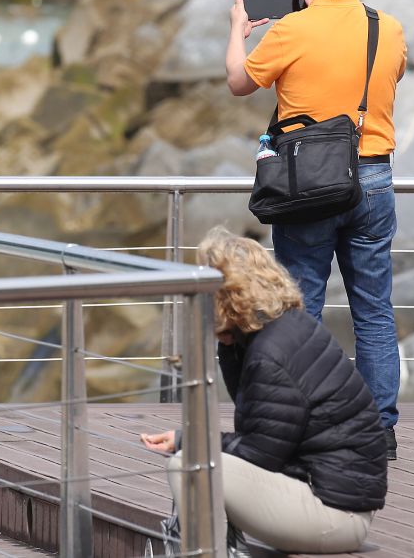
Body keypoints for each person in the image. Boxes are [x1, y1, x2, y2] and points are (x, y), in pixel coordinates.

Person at [224, 0, 407, 458]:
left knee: (299, 309)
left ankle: (303, 424)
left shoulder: (291, 31)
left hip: (309, 183)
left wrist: (240, 28)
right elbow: (391, 76)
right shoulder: (387, 28)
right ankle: (381, 430)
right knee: (374, 309)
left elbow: (239, 81)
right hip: (373, 178)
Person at [140, 228, 387, 555]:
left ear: (226, 295)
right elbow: (261, 433)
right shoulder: (281, 330)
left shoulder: (270, 354)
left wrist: (189, 442)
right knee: (197, 462)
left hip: (335, 515)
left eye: (203, 291)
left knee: (188, 467)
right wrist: (227, 343)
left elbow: (260, 453)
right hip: (331, 499)